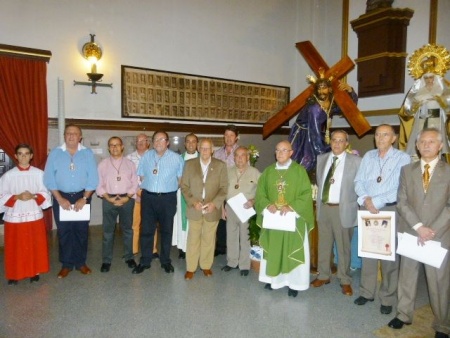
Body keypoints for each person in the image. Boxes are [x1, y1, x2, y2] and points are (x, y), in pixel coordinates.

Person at [388, 128, 450, 338]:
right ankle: (403, 314)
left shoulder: (449, 171)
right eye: (422, 141)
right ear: (416, 145)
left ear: (440, 146)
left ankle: (442, 324)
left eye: (431, 141)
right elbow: (402, 202)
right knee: (406, 276)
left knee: (439, 282)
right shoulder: (407, 170)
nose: (426, 145)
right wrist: (418, 227)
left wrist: (432, 230)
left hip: (439, 234)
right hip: (411, 232)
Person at [353, 124, 410, 314]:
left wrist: (376, 201)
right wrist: (366, 200)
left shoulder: (403, 158)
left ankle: (387, 297)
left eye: (385, 135)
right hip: (367, 208)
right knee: (368, 252)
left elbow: (402, 187)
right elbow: (358, 181)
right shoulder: (368, 156)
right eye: (377, 135)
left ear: (393, 138)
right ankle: (367, 292)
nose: (380, 138)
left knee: (388, 255)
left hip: (389, 208)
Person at [255, 140, 315, 297]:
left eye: (284, 150)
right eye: (277, 150)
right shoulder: (268, 172)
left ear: (291, 153)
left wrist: (292, 206)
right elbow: (260, 194)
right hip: (274, 220)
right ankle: (273, 279)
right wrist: (268, 204)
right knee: (273, 247)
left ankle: (294, 283)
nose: (280, 153)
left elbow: (306, 194)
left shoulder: (299, 171)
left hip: (292, 220)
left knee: (291, 248)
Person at [44, 124, 99, 278]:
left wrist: (85, 198)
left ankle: (81, 262)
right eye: (68, 133)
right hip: (61, 197)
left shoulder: (87, 153)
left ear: (80, 137)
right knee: (64, 231)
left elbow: (93, 179)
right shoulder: (55, 153)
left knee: (81, 231)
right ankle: (67, 264)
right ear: (64, 135)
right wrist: (59, 198)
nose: (71, 136)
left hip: (82, 196)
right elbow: (48, 179)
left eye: (75, 134)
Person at [311, 130, 361, 296]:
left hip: (343, 209)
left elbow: (360, 186)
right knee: (323, 244)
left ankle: (345, 280)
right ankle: (324, 275)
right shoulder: (322, 159)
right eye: (334, 140)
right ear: (330, 142)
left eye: (341, 140)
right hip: (324, 207)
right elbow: (320, 181)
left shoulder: (356, 161)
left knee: (343, 247)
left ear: (347, 143)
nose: (337, 143)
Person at [133, 131, 184, 274]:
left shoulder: (177, 158)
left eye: (161, 139)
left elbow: (180, 180)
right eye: (155, 139)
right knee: (147, 230)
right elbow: (142, 176)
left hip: (167, 199)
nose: (158, 142)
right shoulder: (146, 157)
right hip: (148, 198)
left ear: (167, 142)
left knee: (166, 231)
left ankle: (165, 261)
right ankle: (145, 261)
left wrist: (166, 189)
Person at [0, 144, 52, 285]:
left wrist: (34, 196)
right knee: (14, 247)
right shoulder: (8, 176)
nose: (23, 156)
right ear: (16, 156)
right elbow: (1, 195)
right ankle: (14, 274)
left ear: (31, 156)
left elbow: (46, 194)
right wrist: (16, 197)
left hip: (33, 216)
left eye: (26, 153)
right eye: (20, 154)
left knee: (33, 245)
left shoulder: (39, 174)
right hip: (14, 216)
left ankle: (33, 272)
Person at [289, 73, 357, 173]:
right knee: (308, 164)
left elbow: (349, 108)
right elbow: (314, 134)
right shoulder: (314, 108)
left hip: (320, 134)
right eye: (319, 89)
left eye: (324, 88)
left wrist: (350, 91)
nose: (321, 91)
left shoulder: (331, 104)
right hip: (305, 137)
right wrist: (325, 153)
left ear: (329, 89)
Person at [181, 138, 228, 280]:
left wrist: (215, 203)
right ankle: (191, 268)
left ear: (212, 150)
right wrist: (193, 202)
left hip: (211, 209)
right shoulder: (189, 164)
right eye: (202, 148)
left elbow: (224, 188)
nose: (205, 151)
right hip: (195, 208)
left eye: (208, 148)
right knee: (193, 239)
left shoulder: (220, 165)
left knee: (209, 238)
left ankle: (206, 266)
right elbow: (184, 186)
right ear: (198, 149)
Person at [96, 136, 138, 273]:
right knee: (108, 232)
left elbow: (135, 183)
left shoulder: (130, 164)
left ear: (122, 147)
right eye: (111, 145)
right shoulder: (103, 164)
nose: (114, 147)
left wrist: (127, 197)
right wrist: (109, 198)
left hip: (127, 200)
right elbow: (99, 184)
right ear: (108, 148)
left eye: (117, 145)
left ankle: (129, 257)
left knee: (128, 230)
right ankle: (106, 261)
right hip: (109, 200)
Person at [398, 50, 450, 160]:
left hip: (436, 119)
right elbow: (409, 108)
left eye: (431, 77)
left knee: (434, 142)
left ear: (435, 77)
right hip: (421, 119)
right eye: (426, 78)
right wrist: (420, 102)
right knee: (420, 141)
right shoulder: (417, 90)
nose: (429, 80)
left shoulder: (442, 89)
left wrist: (438, 99)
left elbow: (447, 105)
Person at [222, 146, 260, 276]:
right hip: (231, 207)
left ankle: (244, 265)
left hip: (246, 208)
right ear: (234, 158)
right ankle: (232, 262)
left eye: (242, 155)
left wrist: (253, 201)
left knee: (245, 237)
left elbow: (262, 192)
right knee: (231, 236)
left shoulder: (255, 173)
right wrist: (223, 207)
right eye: (237, 155)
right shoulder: (228, 171)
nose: (239, 158)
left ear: (247, 157)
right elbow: (222, 191)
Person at [126, 133, 159, 258]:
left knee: (152, 224)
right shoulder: (128, 158)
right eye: (138, 140)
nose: (140, 143)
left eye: (143, 140)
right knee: (135, 224)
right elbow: (127, 179)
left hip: (151, 194)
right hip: (136, 195)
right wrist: (135, 195)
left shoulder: (155, 157)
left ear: (148, 143)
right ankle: (134, 250)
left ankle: (153, 250)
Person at [213, 124, 240, 256]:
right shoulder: (217, 153)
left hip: (235, 192)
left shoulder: (241, 153)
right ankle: (221, 247)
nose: (228, 138)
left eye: (231, 135)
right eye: (226, 135)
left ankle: (235, 249)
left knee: (234, 221)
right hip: (220, 191)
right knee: (220, 220)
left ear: (236, 138)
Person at [172, 133, 199, 259]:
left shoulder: (202, 158)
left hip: (198, 196)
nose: (191, 144)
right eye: (188, 141)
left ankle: (195, 248)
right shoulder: (179, 158)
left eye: (193, 141)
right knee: (181, 220)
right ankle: (183, 248)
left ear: (197, 144)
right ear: (184, 143)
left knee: (195, 222)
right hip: (181, 194)